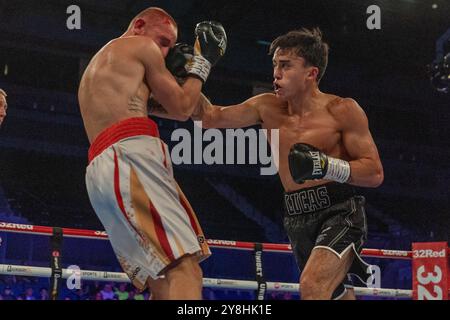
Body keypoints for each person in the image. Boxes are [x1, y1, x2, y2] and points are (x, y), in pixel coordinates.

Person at [184, 27, 384, 300]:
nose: (276, 73)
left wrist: (327, 166)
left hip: (340, 212)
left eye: (286, 66)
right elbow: (209, 118)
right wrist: (199, 64)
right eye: (275, 65)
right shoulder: (266, 107)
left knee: (313, 286)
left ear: (311, 74)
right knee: (335, 295)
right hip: (296, 216)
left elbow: (374, 172)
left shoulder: (342, 110)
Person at [78, 7, 227, 300]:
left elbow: (198, 112)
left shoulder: (107, 68)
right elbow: (184, 108)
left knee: (160, 281)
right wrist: (203, 61)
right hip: (132, 158)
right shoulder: (140, 46)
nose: (165, 52)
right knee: (186, 270)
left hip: (102, 172)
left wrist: (184, 75)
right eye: (163, 41)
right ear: (139, 25)